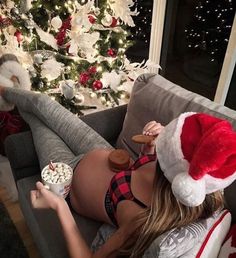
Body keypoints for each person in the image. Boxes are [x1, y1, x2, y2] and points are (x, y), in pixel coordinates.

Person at [1, 67, 236, 258]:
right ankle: (5, 92)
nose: (164, 134)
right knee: (43, 104)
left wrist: (59, 206)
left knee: (36, 121)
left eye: (168, 139)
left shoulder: (140, 220)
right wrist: (151, 147)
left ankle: (8, 99)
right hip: (99, 149)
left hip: (66, 174)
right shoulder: (170, 171)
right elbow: (144, 165)